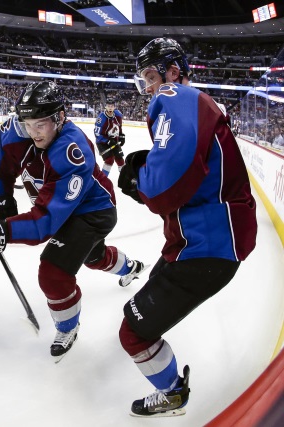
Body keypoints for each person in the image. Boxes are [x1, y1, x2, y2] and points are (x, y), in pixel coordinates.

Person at [0, 81, 147, 360]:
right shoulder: (13, 132)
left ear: (60, 117)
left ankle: (68, 326)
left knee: (53, 273)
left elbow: (44, 223)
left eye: (40, 124)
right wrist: (4, 201)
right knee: (93, 256)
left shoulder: (72, 150)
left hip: (92, 210)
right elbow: (3, 172)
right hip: (55, 206)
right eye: (27, 124)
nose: (32, 133)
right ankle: (130, 267)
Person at [114, 37, 257, 417]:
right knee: (139, 317)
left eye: (149, 75)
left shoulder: (177, 96)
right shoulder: (195, 102)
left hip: (206, 248)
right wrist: (146, 172)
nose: (147, 86)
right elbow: (193, 173)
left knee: (133, 332)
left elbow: (165, 188)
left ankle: (173, 393)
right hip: (198, 244)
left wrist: (141, 182)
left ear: (173, 71)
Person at [94, 98, 125, 177]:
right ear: (105, 107)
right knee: (109, 160)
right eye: (108, 106)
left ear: (114, 107)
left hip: (114, 140)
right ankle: (103, 178)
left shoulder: (118, 115)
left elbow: (119, 126)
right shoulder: (101, 118)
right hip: (102, 142)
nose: (110, 107)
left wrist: (121, 135)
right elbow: (97, 133)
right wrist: (107, 141)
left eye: (112, 106)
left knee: (120, 159)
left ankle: (125, 178)